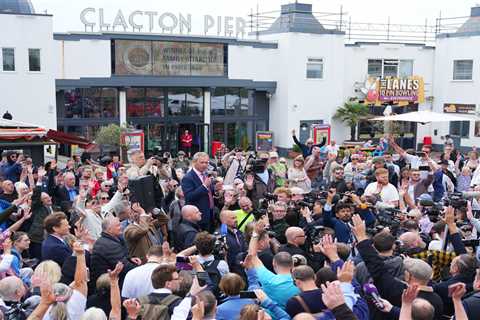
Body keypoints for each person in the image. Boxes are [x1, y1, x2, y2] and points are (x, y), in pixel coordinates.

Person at [90, 216, 140, 285]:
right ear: (109, 229)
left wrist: (130, 259)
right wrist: (142, 270)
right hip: (107, 286)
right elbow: (124, 266)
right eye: (118, 226)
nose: (121, 227)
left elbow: (124, 256)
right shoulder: (107, 245)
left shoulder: (115, 238)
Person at [181, 152, 215, 232]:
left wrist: (215, 190)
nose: (204, 165)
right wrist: (204, 186)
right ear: (194, 162)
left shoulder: (206, 174)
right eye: (202, 162)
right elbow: (189, 197)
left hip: (209, 213)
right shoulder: (188, 178)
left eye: (206, 162)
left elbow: (208, 193)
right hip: (197, 217)